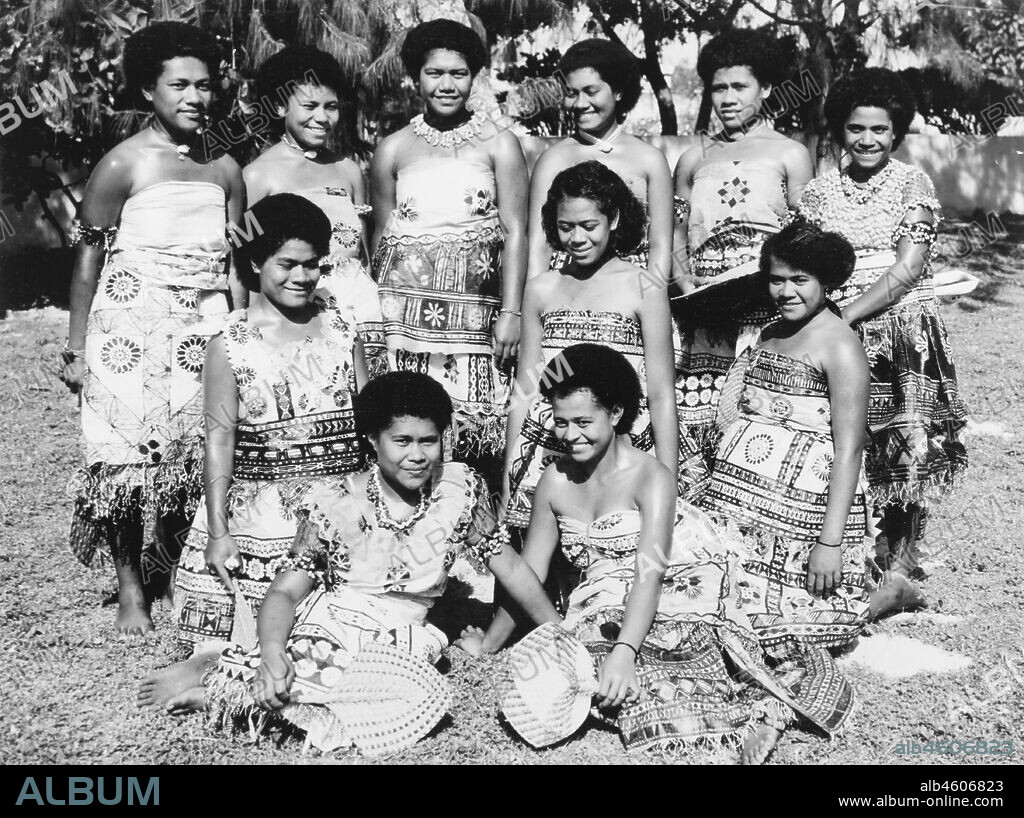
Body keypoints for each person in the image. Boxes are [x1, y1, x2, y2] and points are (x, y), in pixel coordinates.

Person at [459, 344, 855, 764]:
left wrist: (626, 651)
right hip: (603, 597)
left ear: (614, 414)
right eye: (560, 422)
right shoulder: (554, 482)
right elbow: (530, 575)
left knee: (668, 654)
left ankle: (758, 718)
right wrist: (490, 642)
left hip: (676, 578)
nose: (570, 435)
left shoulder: (651, 476)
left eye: (583, 422)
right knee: (596, 673)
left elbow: (650, 572)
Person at [139, 372, 558, 755]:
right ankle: (237, 685)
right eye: (402, 441)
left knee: (415, 696)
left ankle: (246, 693)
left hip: (406, 632)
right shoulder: (333, 501)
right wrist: (270, 652)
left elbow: (513, 569)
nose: (417, 455)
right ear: (373, 440)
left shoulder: (459, 489)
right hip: (336, 621)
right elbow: (285, 590)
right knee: (301, 662)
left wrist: (557, 631)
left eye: (428, 441)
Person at [59, 22, 247, 635]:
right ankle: (130, 586)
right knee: (124, 462)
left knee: (190, 457)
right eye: (179, 85)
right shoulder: (123, 163)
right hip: (127, 329)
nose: (195, 97)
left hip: (204, 324)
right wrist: (76, 346)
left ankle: (168, 566)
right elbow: (87, 254)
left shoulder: (225, 167)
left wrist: (243, 328)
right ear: (149, 89)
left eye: (205, 85)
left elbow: (238, 259)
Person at [703, 222, 914, 653]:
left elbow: (851, 448)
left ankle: (886, 594)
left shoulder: (839, 345)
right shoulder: (769, 333)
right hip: (740, 498)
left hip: (806, 505)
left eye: (801, 280)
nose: (786, 292)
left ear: (827, 282)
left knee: (798, 628)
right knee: (717, 604)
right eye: (777, 280)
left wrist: (829, 542)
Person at [798, 68, 968, 597]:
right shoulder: (818, 192)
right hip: (836, 331)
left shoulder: (913, 183)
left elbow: (907, 269)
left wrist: (844, 317)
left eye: (879, 129)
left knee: (902, 443)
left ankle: (898, 569)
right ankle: (846, 555)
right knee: (842, 439)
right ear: (839, 131)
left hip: (900, 330)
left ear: (895, 132)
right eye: (855, 128)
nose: (867, 140)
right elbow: (806, 261)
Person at [172, 193, 369, 650]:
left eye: (312, 264)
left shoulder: (342, 329)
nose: (302, 276)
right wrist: (219, 533)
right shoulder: (230, 344)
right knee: (244, 649)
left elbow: (368, 423)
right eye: (287, 264)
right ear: (257, 261)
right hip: (262, 520)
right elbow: (219, 441)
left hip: (339, 510)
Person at [370, 19, 528, 461]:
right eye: (434, 73)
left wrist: (511, 313)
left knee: (477, 441)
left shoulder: (500, 144)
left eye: (457, 74)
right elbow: (380, 241)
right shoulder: (392, 148)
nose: (446, 85)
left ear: (474, 77)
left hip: (477, 315)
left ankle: (478, 525)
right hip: (402, 320)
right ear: (415, 78)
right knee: (410, 433)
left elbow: (517, 231)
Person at [672, 28, 814, 502]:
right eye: (718, 87)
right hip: (702, 311)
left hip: (764, 308)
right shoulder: (694, 159)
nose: (727, 99)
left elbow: (803, 237)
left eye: (740, 87)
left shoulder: (789, 153)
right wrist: (682, 278)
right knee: (697, 421)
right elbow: (676, 232)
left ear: (767, 89)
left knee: (755, 418)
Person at [504, 161, 678, 535]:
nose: (577, 238)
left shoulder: (644, 286)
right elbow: (527, 388)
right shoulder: (541, 289)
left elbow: (661, 393)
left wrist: (668, 476)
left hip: (624, 446)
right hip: (550, 445)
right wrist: (508, 474)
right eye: (566, 227)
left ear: (613, 219)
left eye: (589, 226)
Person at [243, 46, 387, 378]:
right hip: (295, 316)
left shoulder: (348, 170)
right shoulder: (256, 176)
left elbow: (363, 254)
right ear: (279, 106)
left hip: (363, 317)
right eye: (309, 106)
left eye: (331, 107)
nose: (322, 118)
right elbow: (245, 262)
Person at [526, 39, 674, 287]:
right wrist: (533, 306)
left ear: (618, 91)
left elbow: (660, 245)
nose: (580, 104)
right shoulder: (552, 160)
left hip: (630, 292)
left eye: (591, 92)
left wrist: (650, 300)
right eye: (572, 94)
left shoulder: (650, 160)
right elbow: (539, 247)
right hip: (566, 291)